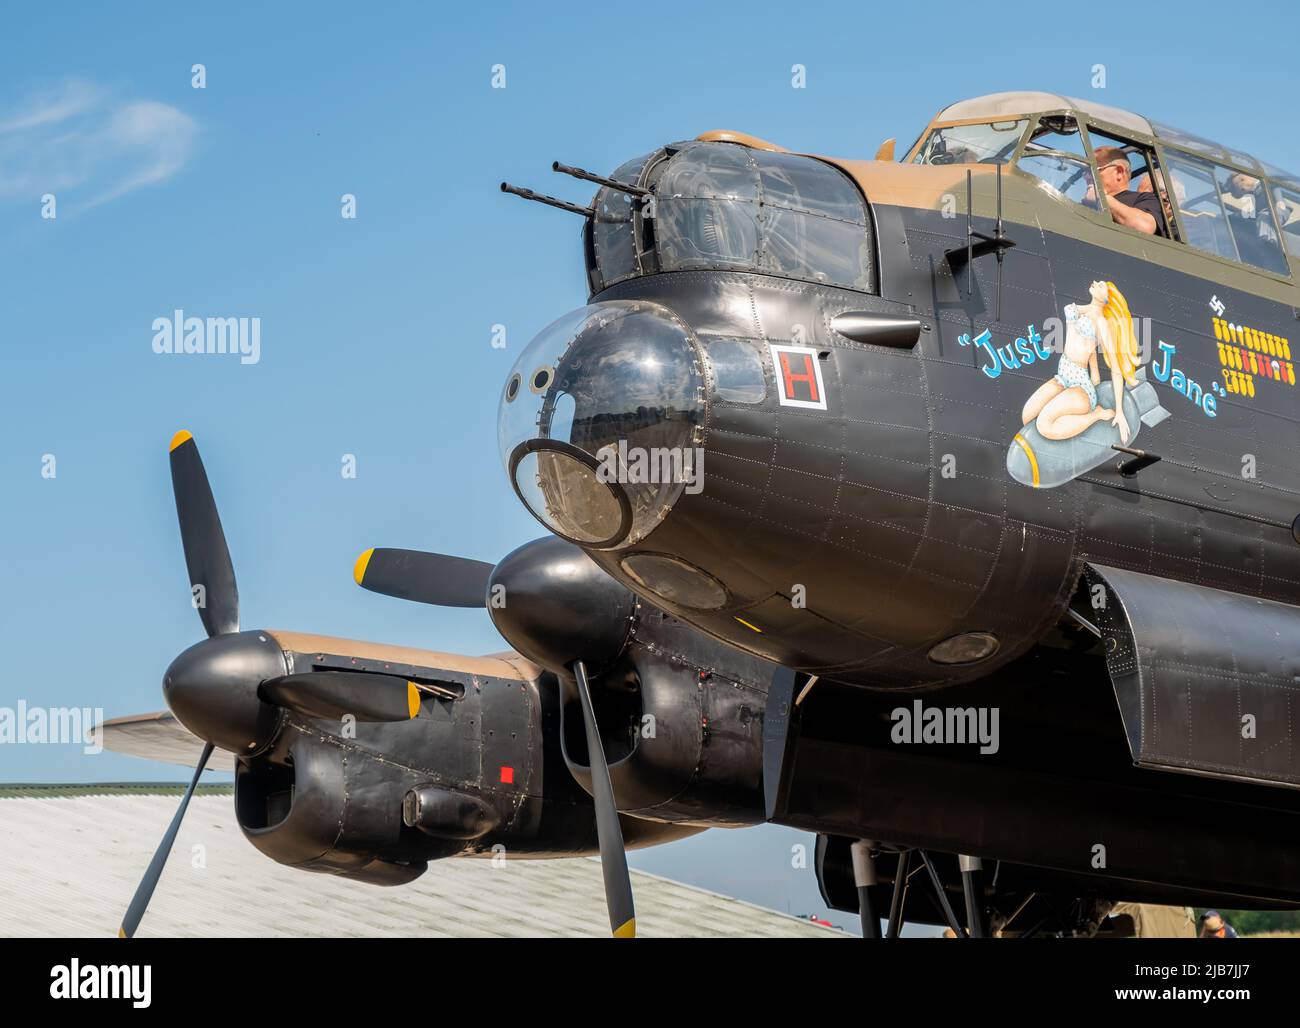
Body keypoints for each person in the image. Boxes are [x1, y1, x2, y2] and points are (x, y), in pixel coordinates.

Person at [1021, 280, 1141, 444]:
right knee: (1027, 415)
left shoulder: (1102, 324)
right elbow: (1087, 344)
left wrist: (1120, 411)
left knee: (1044, 425)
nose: (1095, 282)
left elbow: (1116, 368)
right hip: (1063, 377)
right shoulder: (1082, 311)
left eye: (1101, 286)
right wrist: (1095, 372)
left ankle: (1096, 415)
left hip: (1080, 386)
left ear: (1107, 299)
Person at [1093, 146, 1164, 235]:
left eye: (1094, 170)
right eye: (1085, 171)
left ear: (1119, 172)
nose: (1086, 176)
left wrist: (1102, 198)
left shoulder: (1145, 199)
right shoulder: (1088, 202)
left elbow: (1144, 226)